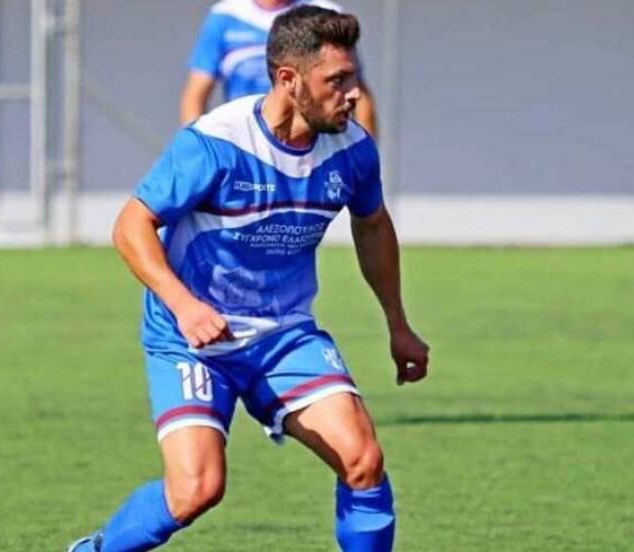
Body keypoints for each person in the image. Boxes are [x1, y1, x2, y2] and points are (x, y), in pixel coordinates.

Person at [68, 6, 428, 552]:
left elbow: (372, 225)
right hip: (191, 340)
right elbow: (130, 226)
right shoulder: (216, 143)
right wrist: (184, 305)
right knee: (196, 490)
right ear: (289, 79)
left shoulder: (353, 149)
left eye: (352, 77)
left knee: (363, 461)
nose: (353, 94)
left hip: (283, 335)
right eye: (336, 81)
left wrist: (398, 324)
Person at [180, 0, 379, 137]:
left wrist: (364, 159)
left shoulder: (323, 12)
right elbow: (195, 96)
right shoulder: (225, 16)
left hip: (314, 146)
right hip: (246, 143)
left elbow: (358, 93)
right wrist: (199, 150)